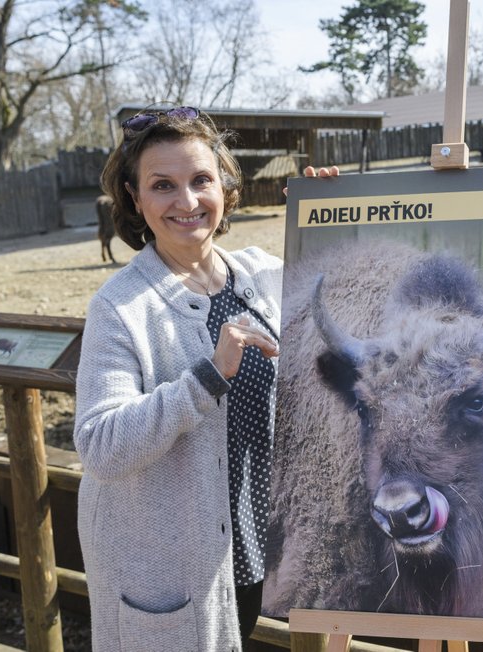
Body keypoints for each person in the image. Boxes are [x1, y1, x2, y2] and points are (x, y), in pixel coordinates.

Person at [74, 106, 287, 651]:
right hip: (166, 571)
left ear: (225, 186)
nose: (187, 201)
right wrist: (207, 378)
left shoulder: (263, 276)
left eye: (200, 180)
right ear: (135, 198)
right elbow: (100, 446)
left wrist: (328, 206)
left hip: (250, 547)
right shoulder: (121, 307)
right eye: (163, 185)